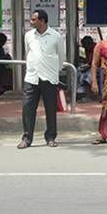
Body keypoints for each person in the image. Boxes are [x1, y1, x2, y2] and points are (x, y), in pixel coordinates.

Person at [18, 9, 65, 150]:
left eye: (34, 20)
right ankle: (27, 138)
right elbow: (28, 52)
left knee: (50, 109)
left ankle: (50, 137)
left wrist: (54, 72)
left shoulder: (56, 36)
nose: (31, 22)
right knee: (27, 108)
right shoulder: (28, 36)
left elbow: (61, 57)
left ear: (42, 20)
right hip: (32, 77)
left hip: (49, 78)